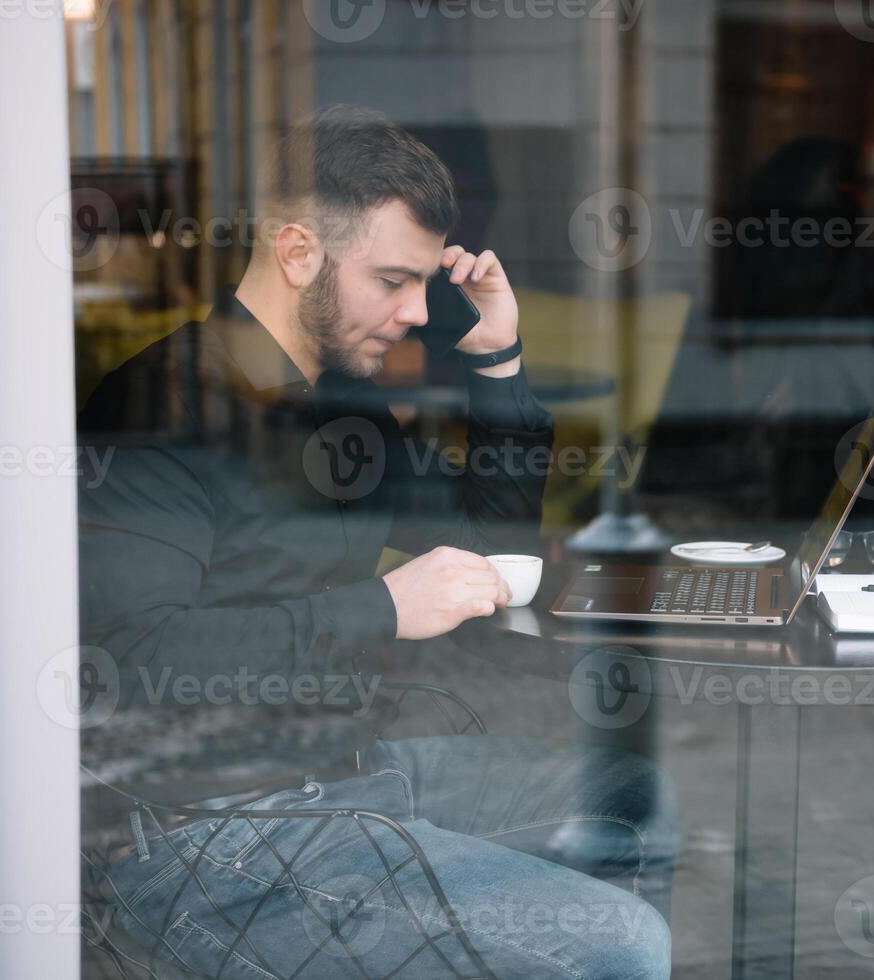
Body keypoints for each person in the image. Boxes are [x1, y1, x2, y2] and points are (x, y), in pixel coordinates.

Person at [78, 105, 675, 979]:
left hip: (352, 775)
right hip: (213, 838)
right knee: (622, 946)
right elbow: (128, 658)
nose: (414, 311)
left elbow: (486, 545)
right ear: (296, 253)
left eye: (424, 282)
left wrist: (497, 361)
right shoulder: (160, 409)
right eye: (393, 279)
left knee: (629, 797)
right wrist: (382, 608)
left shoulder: (340, 401)